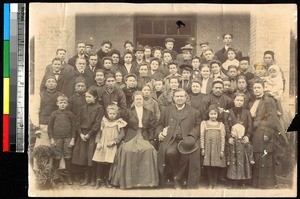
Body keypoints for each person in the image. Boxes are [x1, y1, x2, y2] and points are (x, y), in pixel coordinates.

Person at [110, 91, 158, 189]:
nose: (139, 101)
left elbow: (152, 127)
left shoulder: (149, 112)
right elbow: (124, 126)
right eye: (137, 99)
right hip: (131, 135)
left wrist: (151, 139)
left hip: (143, 135)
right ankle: (128, 182)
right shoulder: (128, 112)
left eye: (140, 99)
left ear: (143, 100)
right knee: (127, 150)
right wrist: (123, 139)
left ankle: (146, 182)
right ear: (133, 100)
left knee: (149, 150)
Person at [157, 89, 201, 189]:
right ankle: (178, 177)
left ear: (186, 98)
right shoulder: (167, 110)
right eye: (177, 96)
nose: (179, 98)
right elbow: (160, 125)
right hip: (171, 140)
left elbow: (198, 126)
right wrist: (159, 133)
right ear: (173, 98)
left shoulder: (194, 112)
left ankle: (178, 179)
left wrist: (191, 136)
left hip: (186, 140)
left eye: (182, 96)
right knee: (169, 153)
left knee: (186, 156)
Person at [249, 80, 279, 189]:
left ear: (263, 88)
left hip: (265, 131)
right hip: (256, 131)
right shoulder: (252, 102)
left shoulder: (268, 100)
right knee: (257, 155)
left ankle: (266, 184)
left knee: (265, 156)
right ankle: (257, 183)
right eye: (254, 88)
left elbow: (272, 117)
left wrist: (268, 133)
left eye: (258, 87)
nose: (256, 90)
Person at [72, 87, 104, 187]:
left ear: (95, 97)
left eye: (90, 97)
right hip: (82, 134)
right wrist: (80, 133)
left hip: (92, 135)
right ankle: (87, 178)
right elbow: (77, 121)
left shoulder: (100, 108)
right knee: (84, 157)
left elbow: (97, 124)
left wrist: (89, 134)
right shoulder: (82, 108)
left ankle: (93, 178)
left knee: (92, 157)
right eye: (86, 97)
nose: (88, 99)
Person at [92, 105, 127, 188]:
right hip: (102, 143)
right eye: (110, 113)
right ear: (107, 113)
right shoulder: (104, 121)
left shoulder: (119, 122)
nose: (111, 115)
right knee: (100, 162)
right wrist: (98, 142)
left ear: (116, 114)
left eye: (113, 114)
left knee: (108, 162)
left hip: (111, 145)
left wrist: (114, 141)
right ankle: (98, 180)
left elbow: (121, 134)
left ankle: (107, 179)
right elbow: (99, 133)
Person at [48, 95, 75, 185]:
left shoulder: (70, 114)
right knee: (57, 157)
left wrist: (72, 139)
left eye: (64, 103)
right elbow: (50, 127)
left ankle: (69, 176)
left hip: (68, 138)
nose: (62, 104)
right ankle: (55, 177)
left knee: (68, 157)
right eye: (60, 102)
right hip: (57, 138)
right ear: (57, 103)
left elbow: (74, 127)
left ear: (67, 104)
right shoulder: (54, 114)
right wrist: (51, 138)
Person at [200, 104, 226, 188]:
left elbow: (223, 138)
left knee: (216, 165)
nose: (213, 116)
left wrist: (222, 150)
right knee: (208, 166)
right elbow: (202, 136)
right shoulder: (204, 123)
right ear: (208, 114)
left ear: (218, 114)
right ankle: (210, 182)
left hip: (217, 148)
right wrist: (202, 148)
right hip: (208, 148)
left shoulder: (221, 125)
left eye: (215, 114)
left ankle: (215, 182)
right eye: (211, 114)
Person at [226, 124, 255, 188]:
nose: (231, 133)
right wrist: (228, 160)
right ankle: (234, 184)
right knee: (233, 171)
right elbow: (228, 151)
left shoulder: (245, 142)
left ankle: (243, 184)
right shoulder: (232, 142)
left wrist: (251, 159)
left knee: (243, 171)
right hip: (234, 159)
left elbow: (249, 151)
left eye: (233, 131)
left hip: (243, 160)